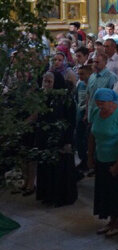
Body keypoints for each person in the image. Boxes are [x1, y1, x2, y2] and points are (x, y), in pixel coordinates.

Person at [89, 88, 118, 237]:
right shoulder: (96, 112)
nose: (100, 106)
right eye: (98, 103)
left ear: (110, 101)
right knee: (105, 191)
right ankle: (111, 220)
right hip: (101, 157)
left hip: (116, 158)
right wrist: (90, 156)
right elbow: (92, 135)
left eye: (102, 103)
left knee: (116, 192)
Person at [35, 72, 77, 207]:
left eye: (49, 82)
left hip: (61, 139)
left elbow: (70, 121)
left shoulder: (65, 99)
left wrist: (68, 141)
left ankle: (59, 197)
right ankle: (47, 195)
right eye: (44, 81)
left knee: (59, 169)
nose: (46, 85)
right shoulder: (42, 97)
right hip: (44, 138)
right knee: (46, 168)